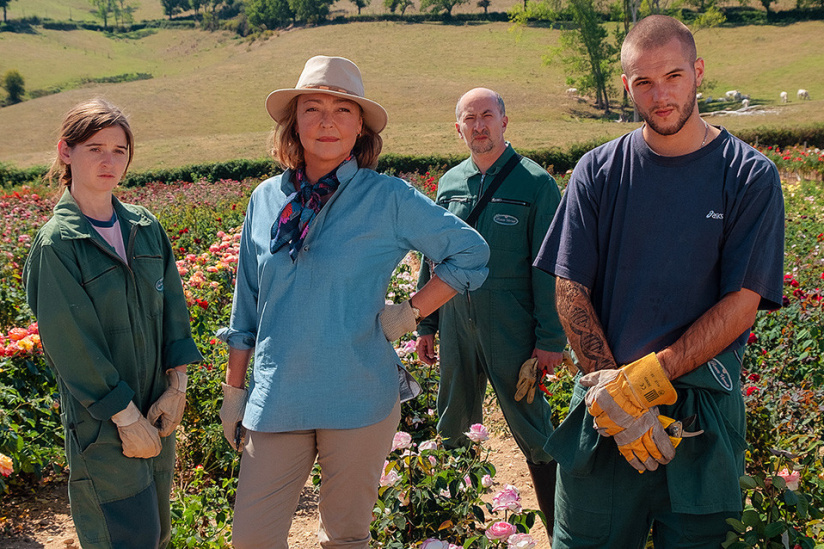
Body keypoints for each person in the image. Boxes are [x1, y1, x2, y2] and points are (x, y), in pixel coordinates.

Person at [216, 55, 489, 549]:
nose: (326, 121)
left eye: (342, 110)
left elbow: (470, 252)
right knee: (251, 540)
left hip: (359, 394)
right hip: (278, 397)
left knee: (344, 538)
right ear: (293, 123)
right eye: (312, 108)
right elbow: (246, 307)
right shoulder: (265, 200)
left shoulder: (386, 198)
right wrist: (234, 391)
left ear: (360, 126)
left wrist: (408, 313)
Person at [534, 15, 785, 549]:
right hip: (603, 415)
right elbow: (570, 289)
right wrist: (614, 396)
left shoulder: (748, 175)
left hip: (700, 417)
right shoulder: (597, 171)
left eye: (672, 76)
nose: (660, 95)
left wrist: (641, 385)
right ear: (628, 87)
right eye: (643, 83)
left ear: (697, 73)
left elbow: (742, 305)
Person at [23, 98, 203, 549]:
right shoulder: (58, 245)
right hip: (103, 423)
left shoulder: (145, 227)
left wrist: (176, 386)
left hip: (156, 406)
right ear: (67, 152)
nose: (109, 161)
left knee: (158, 532)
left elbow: (174, 312)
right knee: (124, 536)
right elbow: (71, 344)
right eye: (95, 148)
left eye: (119, 150)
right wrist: (124, 417)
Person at [415, 87, 566, 539]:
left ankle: (564, 530)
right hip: (457, 320)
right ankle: (452, 531)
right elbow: (432, 256)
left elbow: (550, 267)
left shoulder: (535, 184)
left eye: (486, 116)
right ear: (457, 127)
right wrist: (426, 323)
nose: (478, 126)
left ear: (504, 121)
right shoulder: (449, 184)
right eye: (469, 118)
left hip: (512, 323)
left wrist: (549, 339)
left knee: (533, 427)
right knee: (451, 422)